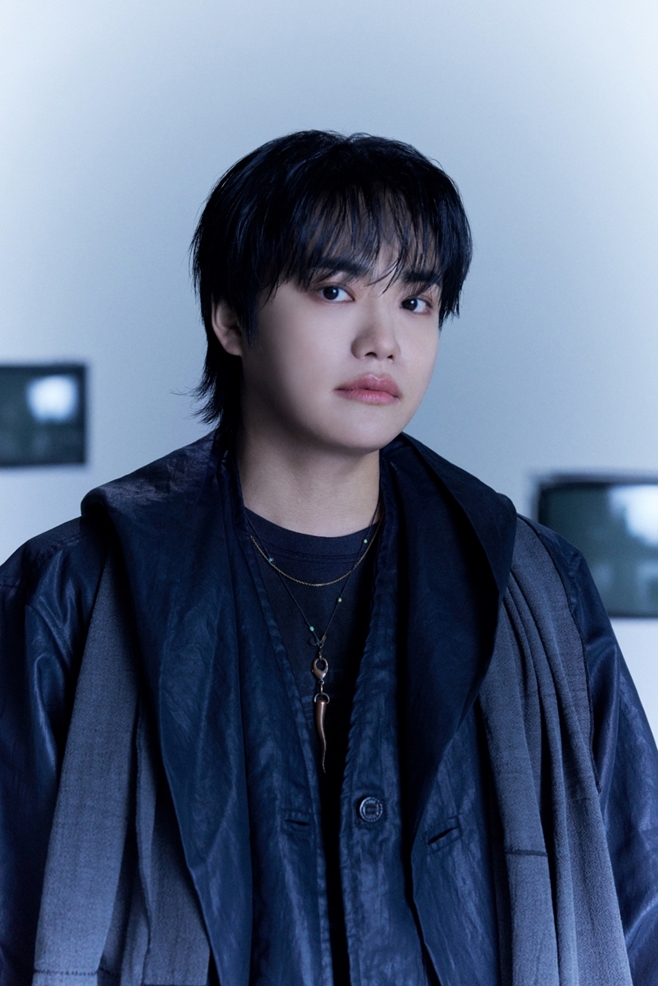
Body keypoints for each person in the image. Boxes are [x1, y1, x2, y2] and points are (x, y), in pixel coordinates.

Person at [1, 130, 657, 986]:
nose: (383, 340)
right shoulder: (72, 592)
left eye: (416, 301)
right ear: (230, 320)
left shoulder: (531, 584)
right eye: (335, 290)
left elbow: (638, 900)